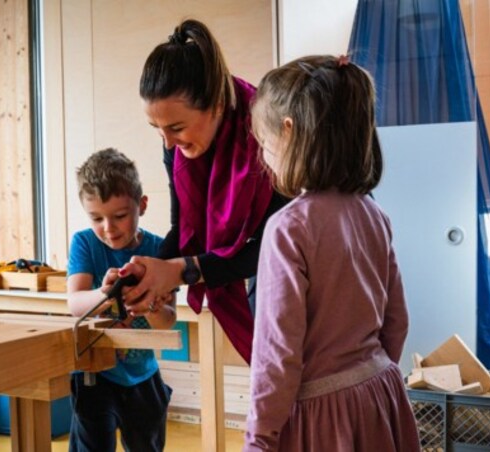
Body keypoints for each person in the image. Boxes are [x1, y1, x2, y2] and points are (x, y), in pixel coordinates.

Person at [243, 55, 420, 451]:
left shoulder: (289, 228)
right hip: (380, 392)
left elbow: (278, 354)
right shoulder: (374, 214)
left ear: (288, 132)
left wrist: (260, 438)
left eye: (264, 144)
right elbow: (397, 321)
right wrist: (369, 375)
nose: (264, 157)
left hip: (322, 416)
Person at [120, 19, 289, 364]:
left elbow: (277, 246)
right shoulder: (177, 146)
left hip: (297, 268)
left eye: (176, 128)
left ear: (215, 105)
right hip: (251, 268)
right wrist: (141, 273)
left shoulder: (267, 135)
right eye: (157, 129)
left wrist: (183, 270)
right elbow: (184, 231)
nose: (168, 144)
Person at [66, 148, 175, 452]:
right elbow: (74, 303)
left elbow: (168, 319)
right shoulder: (84, 243)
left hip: (143, 376)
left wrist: (150, 304)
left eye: (120, 216)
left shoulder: (160, 249)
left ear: (142, 205)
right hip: (93, 376)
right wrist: (103, 294)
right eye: (96, 218)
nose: (109, 228)